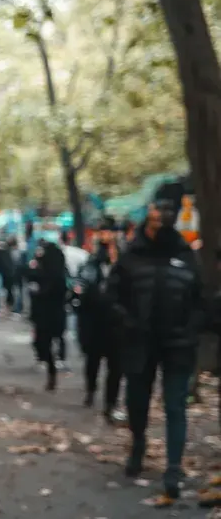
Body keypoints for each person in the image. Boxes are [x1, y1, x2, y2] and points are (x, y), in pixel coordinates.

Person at [109, 186, 204, 500]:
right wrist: (126, 322)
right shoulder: (130, 256)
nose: (162, 215)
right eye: (157, 209)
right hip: (140, 343)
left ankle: (173, 467)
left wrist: (190, 329)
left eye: (168, 210)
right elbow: (112, 296)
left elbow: (199, 300)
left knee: (175, 405)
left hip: (178, 345)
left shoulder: (186, 255)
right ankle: (138, 445)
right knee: (138, 401)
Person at [77, 217, 124, 423]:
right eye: (102, 231)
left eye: (108, 231)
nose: (105, 235)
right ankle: (91, 390)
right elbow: (84, 285)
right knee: (93, 361)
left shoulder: (124, 260)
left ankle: (110, 403)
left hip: (117, 322)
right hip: (95, 321)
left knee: (116, 366)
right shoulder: (92, 261)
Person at [27, 239, 68, 391]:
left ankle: (53, 366)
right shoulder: (53, 271)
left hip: (46, 313)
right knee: (53, 339)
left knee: (45, 341)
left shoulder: (51, 273)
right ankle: (56, 363)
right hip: (52, 313)